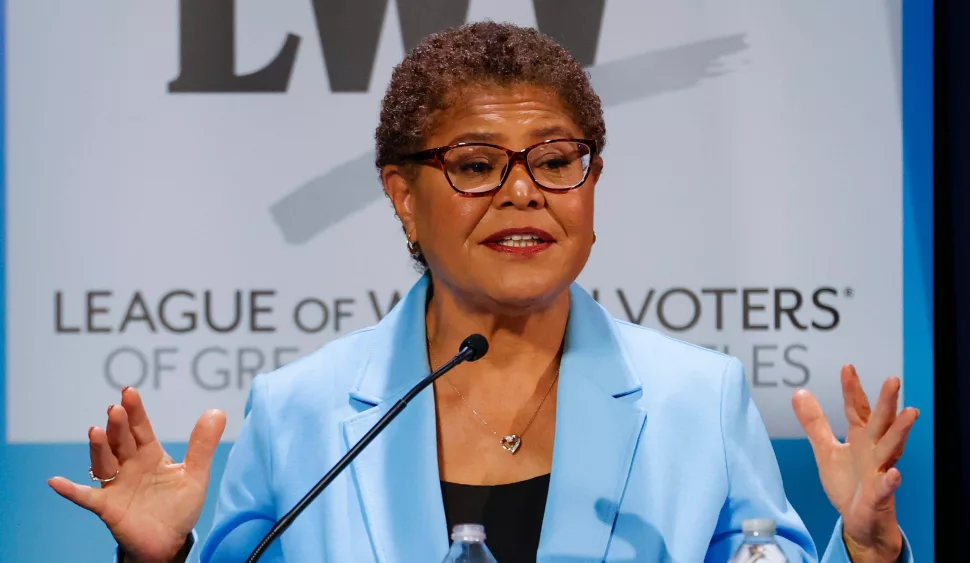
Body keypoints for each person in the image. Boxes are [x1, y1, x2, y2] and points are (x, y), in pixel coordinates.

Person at [48, 22, 917, 563]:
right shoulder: (300, 410)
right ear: (401, 195)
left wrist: (870, 555)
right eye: (474, 164)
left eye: (555, 160)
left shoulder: (698, 398)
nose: (523, 191)